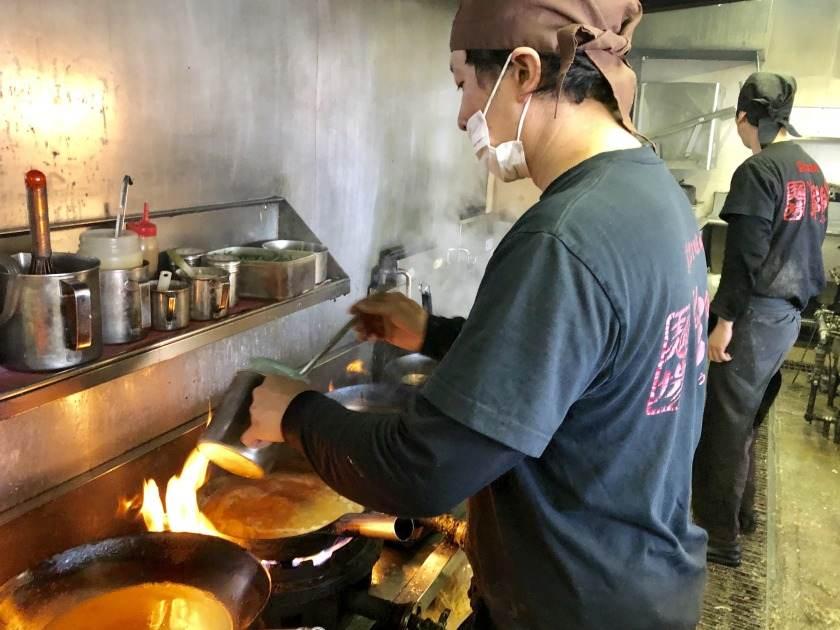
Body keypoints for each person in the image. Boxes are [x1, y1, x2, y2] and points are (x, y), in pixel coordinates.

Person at [243, 1, 708, 627]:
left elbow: (423, 470)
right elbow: (582, 365)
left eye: (465, 84)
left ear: (523, 71)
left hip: (572, 606)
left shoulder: (564, 236)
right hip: (639, 579)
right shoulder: (650, 191)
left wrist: (294, 412)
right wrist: (431, 332)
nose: (464, 114)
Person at [693, 73, 828, 568]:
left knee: (723, 427)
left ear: (745, 117)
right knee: (746, 421)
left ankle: (717, 537)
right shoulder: (810, 169)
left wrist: (723, 321)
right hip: (789, 318)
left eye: (741, 123)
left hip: (754, 319)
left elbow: (744, 258)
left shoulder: (758, 171)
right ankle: (742, 514)